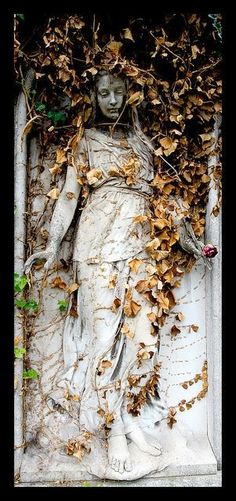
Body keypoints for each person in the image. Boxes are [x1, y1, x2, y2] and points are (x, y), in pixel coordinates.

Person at [25, 70, 213, 474]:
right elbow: (70, 198)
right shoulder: (87, 142)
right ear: (93, 97)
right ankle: (112, 431)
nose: (111, 99)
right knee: (104, 342)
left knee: (144, 338)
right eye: (103, 92)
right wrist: (51, 244)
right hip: (96, 247)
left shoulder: (145, 144)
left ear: (130, 95)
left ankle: (130, 418)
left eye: (118, 92)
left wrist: (190, 241)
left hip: (142, 247)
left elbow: (166, 202)